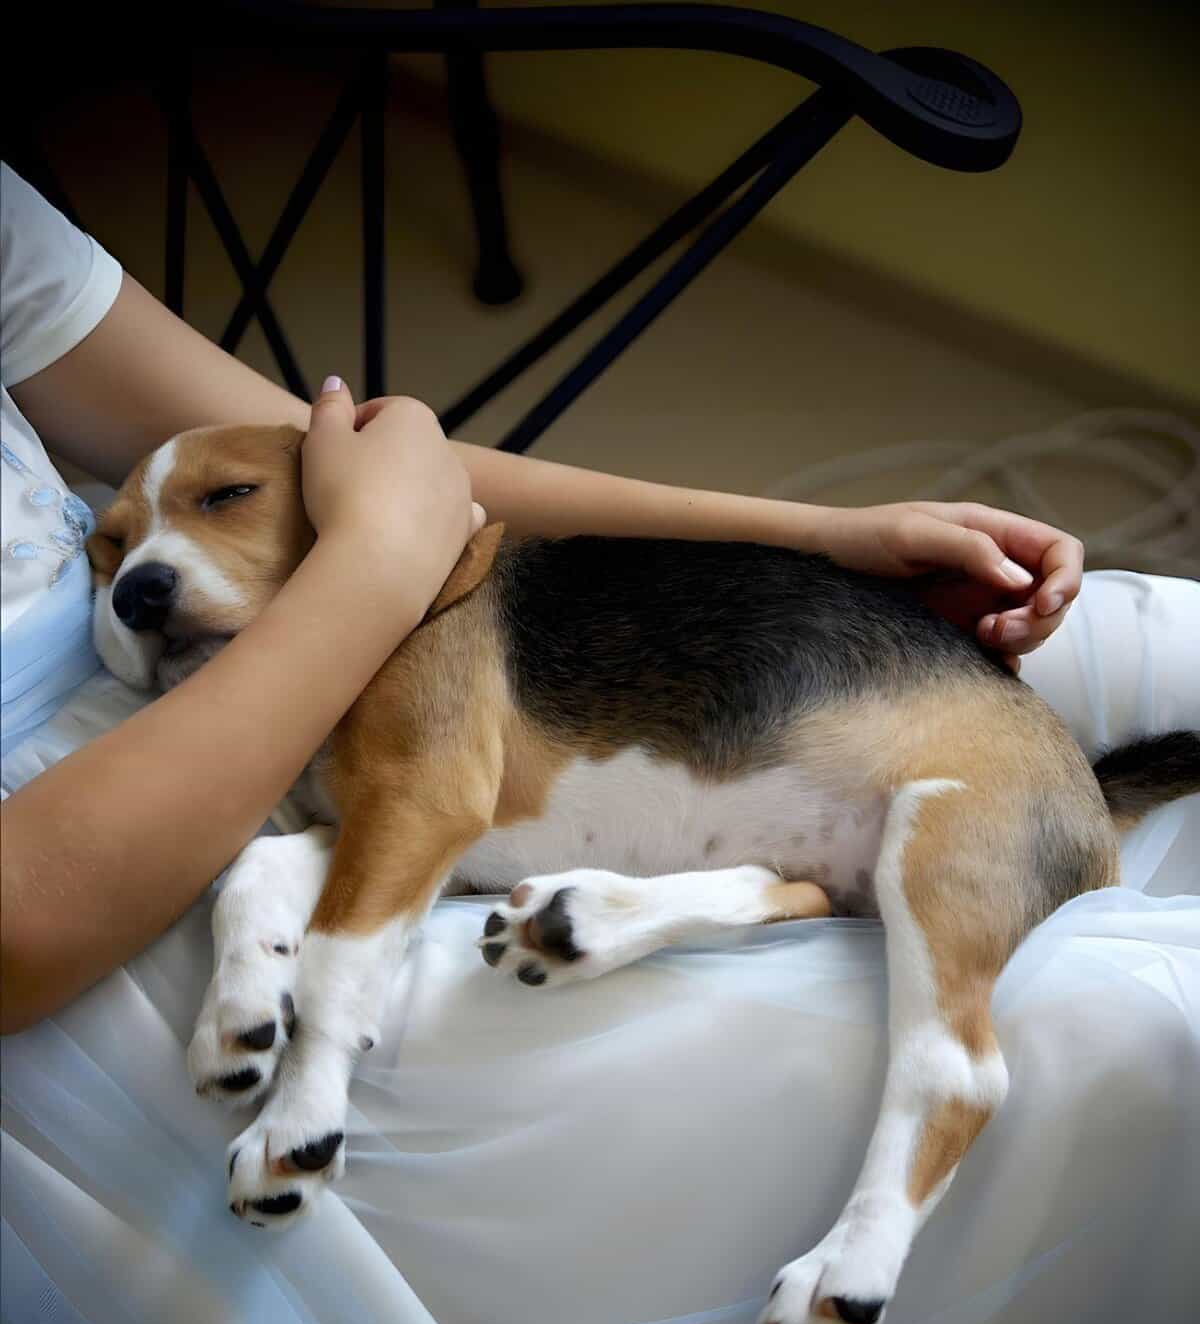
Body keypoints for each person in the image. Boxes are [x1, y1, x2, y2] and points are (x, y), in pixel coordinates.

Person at [0, 162, 1082, 1035]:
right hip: (99, 852)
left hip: (375, 638)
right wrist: (376, 563)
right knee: (1112, 1021)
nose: (138, 571)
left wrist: (820, 534)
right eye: (116, 553)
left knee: (1142, 638)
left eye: (220, 502)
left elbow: (338, 454)